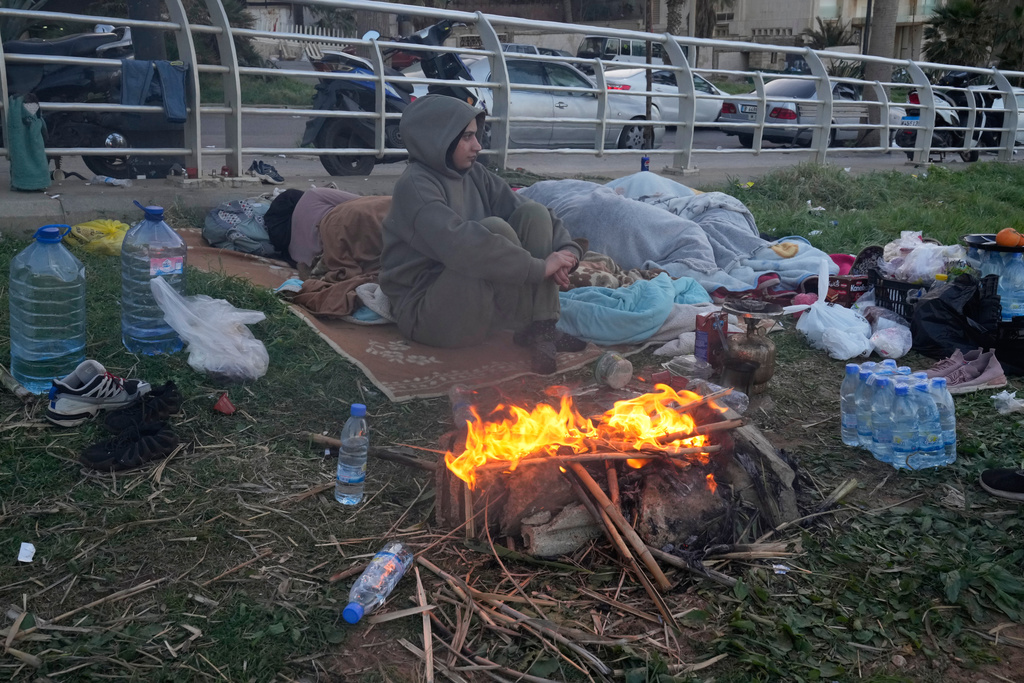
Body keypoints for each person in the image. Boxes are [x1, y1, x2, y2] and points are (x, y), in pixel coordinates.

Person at [380, 94, 585, 374]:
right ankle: (533, 325)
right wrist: (538, 268)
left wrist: (568, 252)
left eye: (476, 136)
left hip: (480, 306)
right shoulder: (415, 186)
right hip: (431, 314)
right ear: (438, 138)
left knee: (533, 214)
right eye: (466, 137)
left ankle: (542, 329)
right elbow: (462, 245)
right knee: (494, 229)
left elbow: (533, 211)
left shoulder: (473, 173)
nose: (477, 146)